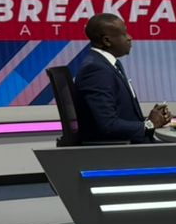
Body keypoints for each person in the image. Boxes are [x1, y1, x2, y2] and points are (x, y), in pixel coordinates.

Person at [73, 13, 171, 143]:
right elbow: (108, 125)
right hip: (122, 149)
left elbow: (121, 115)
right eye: (124, 34)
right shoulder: (96, 70)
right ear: (107, 41)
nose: (130, 38)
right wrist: (149, 124)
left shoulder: (107, 64)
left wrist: (154, 119)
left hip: (132, 143)